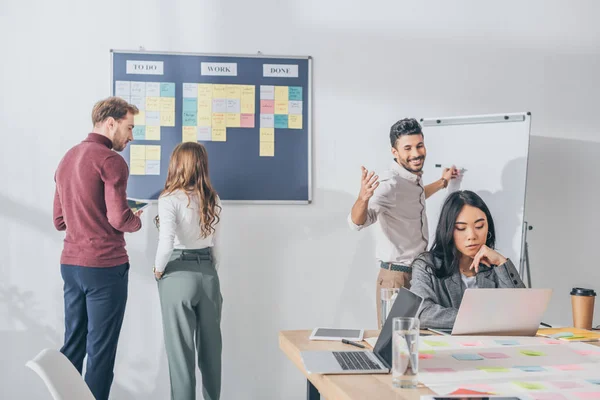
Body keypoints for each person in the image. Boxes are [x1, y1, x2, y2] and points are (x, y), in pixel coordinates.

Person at [53, 97, 142, 400]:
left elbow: (59, 220)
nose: (131, 136)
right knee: (101, 352)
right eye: (129, 128)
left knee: (73, 345)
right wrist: (135, 220)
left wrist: (86, 217)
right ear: (111, 123)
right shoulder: (111, 160)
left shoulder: (68, 158)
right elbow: (118, 217)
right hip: (104, 267)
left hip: (71, 265)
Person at [348, 118, 458, 327]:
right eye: (407, 148)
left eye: (419, 145)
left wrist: (443, 182)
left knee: (420, 342)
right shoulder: (388, 184)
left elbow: (415, 197)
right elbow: (356, 223)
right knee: (394, 347)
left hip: (420, 275)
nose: (416, 153)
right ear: (394, 152)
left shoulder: (410, 178)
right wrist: (363, 198)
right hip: (396, 277)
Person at [153, 142, 223, 400]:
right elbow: (217, 246)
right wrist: (210, 271)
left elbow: (166, 241)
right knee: (211, 351)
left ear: (176, 165)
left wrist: (158, 270)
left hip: (177, 273)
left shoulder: (169, 199)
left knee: (180, 356)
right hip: (207, 274)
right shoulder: (212, 198)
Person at [410, 190, 526, 329]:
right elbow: (422, 314)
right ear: (448, 230)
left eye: (479, 226)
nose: (471, 235)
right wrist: (482, 319)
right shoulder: (427, 265)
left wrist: (502, 263)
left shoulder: (496, 266)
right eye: (461, 228)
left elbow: (523, 314)